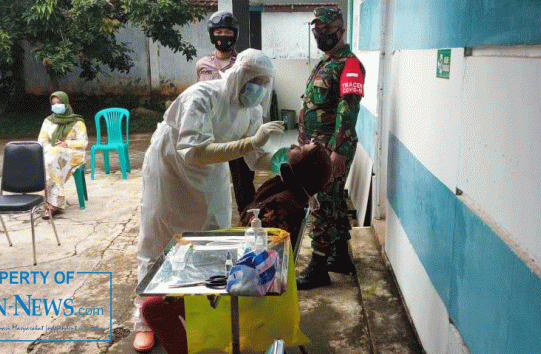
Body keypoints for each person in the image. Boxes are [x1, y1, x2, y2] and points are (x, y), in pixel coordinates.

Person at [133, 49, 284, 352]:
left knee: (212, 234)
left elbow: (253, 158)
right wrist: (251, 142)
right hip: (171, 169)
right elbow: (194, 151)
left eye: (265, 83)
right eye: (256, 81)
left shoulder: (251, 110)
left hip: (212, 169)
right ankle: (144, 319)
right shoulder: (202, 96)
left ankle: (194, 306)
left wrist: (281, 160)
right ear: (239, 76)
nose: (260, 89)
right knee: (158, 238)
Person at [295, 6, 366, 290]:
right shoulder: (328, 61)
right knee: (333, 202)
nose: (321, 36)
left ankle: (318, 267)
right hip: (317, 147)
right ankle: (339, 257)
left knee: (321, 206)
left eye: (327, 30)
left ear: (341, 29)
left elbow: (348, 109)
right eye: (317, 31)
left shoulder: (349, 64)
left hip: (330, 148)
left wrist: (337, 149)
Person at [196, 11, 258, 216]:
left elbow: (252, 99)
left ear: (235, 35)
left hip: (237, 133)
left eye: (228, 31)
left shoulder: (244, 63)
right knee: (209, 182)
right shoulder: (202, 64)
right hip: (210, 134)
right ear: (212, 34)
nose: (223, 36)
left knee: (244, 185)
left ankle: (248, 222)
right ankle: (211, 223)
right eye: (219, 31)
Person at [239, 142, 332, 249]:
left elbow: (264, 250)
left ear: (304, 166)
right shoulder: (285, 187)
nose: (293, 145)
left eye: (300, 149)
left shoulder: (283, 205)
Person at [37, 91, 88, 217]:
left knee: (52, 161)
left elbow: (83, 142)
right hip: (53, 153)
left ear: (65, 104)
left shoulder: (77, 122)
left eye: (58, 103)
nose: (55, 105)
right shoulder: (48, 121)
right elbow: (42, 141)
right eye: (53, 103)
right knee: (50, 160)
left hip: (74, 153)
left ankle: (53, 203)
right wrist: (52, 148)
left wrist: (67, 144)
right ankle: (54, 202)